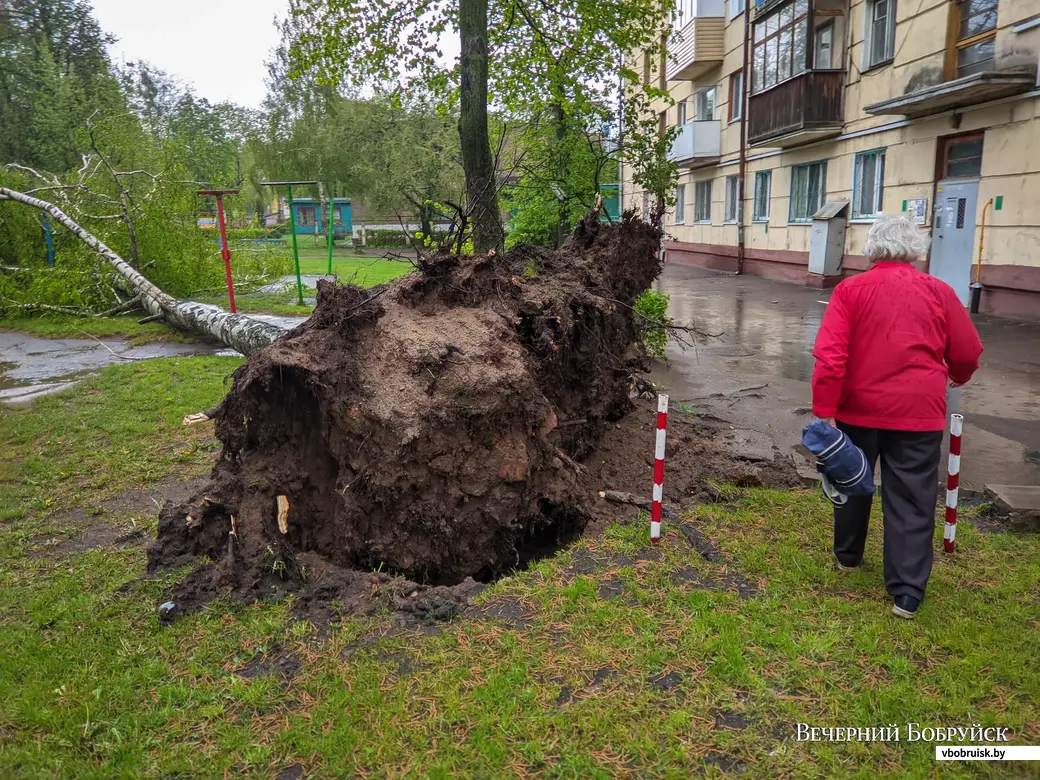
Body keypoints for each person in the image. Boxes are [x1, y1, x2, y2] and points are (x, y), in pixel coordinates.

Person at [811, 215, 983, 620]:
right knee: (911, 496)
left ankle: (848, 556)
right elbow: (966, 351)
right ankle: (906, 592)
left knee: (852, 478)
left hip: (857, 409)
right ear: (916, 251)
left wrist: (825, 412)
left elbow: (830, 356)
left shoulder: (850, 290)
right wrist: (957, 376)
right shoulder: (940, 291)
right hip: (918, 414)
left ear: (872, 249)